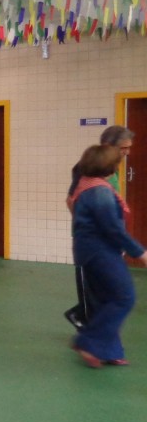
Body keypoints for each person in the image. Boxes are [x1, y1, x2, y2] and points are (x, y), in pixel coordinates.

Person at [67, 144, 147, 368]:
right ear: (111, 167)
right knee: (124, 297)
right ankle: (88, 341)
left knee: (106, 300)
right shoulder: (99, 192)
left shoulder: (85, 183)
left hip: (87, 250)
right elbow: (113, 229)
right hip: (100, 251)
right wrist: (140, 253)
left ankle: (108, 351)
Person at [64, 125, 135, 329]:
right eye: (123, 148)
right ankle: (86, 323)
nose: (127, 152)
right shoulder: (87, 167)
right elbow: (71, 200)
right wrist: (87, 226)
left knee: (109, 288)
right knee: (91, 290)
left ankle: (88, 321)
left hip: (109, 238)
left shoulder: (112, 167)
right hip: (93, 240)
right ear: (108, 145)